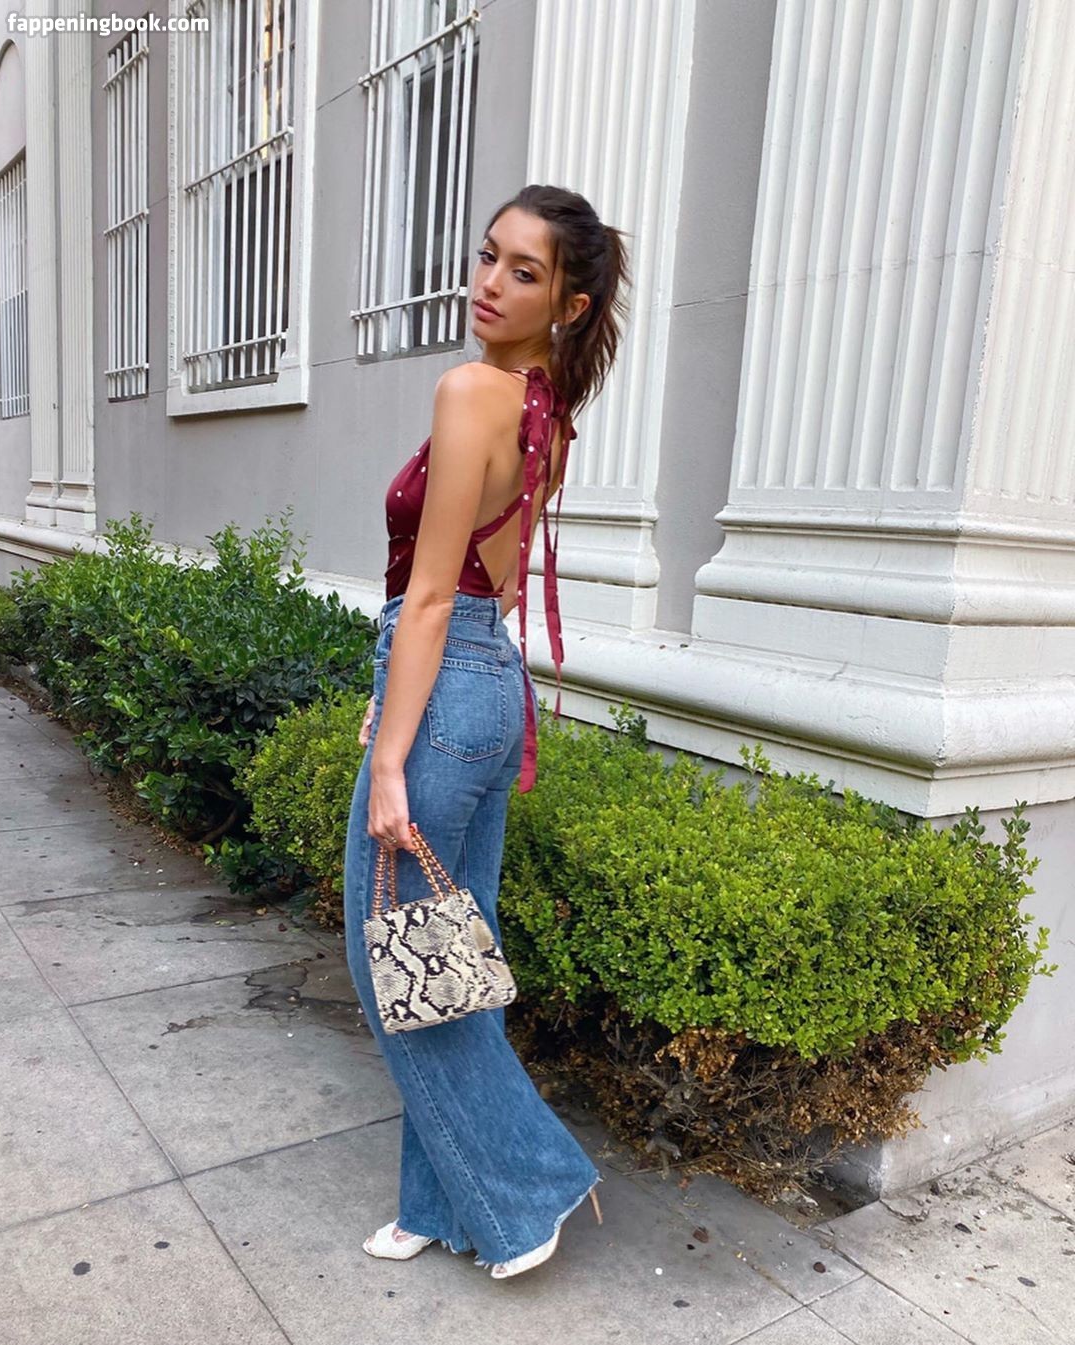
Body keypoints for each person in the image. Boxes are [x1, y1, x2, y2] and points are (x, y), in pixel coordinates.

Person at [343, 184, 631, 1280]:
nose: (490, 282)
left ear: (568, 302)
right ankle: (442, 1202)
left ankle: (532, 1179)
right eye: (488, 255)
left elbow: (431, 596)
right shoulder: (546, 409)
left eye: (524, 270)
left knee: (387, 957)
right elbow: (485, 592)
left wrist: (391, 750)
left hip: (447, 678)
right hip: (480, 682)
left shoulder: (472, 390)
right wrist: (397, 693)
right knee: (447, 952)